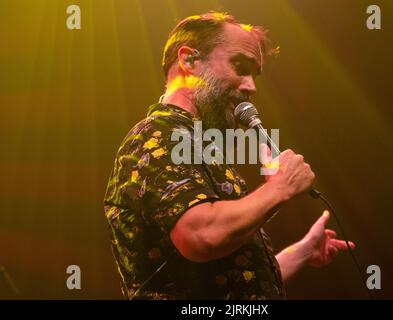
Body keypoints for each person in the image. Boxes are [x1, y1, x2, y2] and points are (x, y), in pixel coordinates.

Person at [103, 12, 355, 300]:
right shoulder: (157, 135)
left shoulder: (196, 144)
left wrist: (299, 254)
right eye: (240, 66)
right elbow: (200, 237)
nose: (251, 86)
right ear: (189, 61)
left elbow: (229, 285)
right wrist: (279, 188)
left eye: (254, 74)